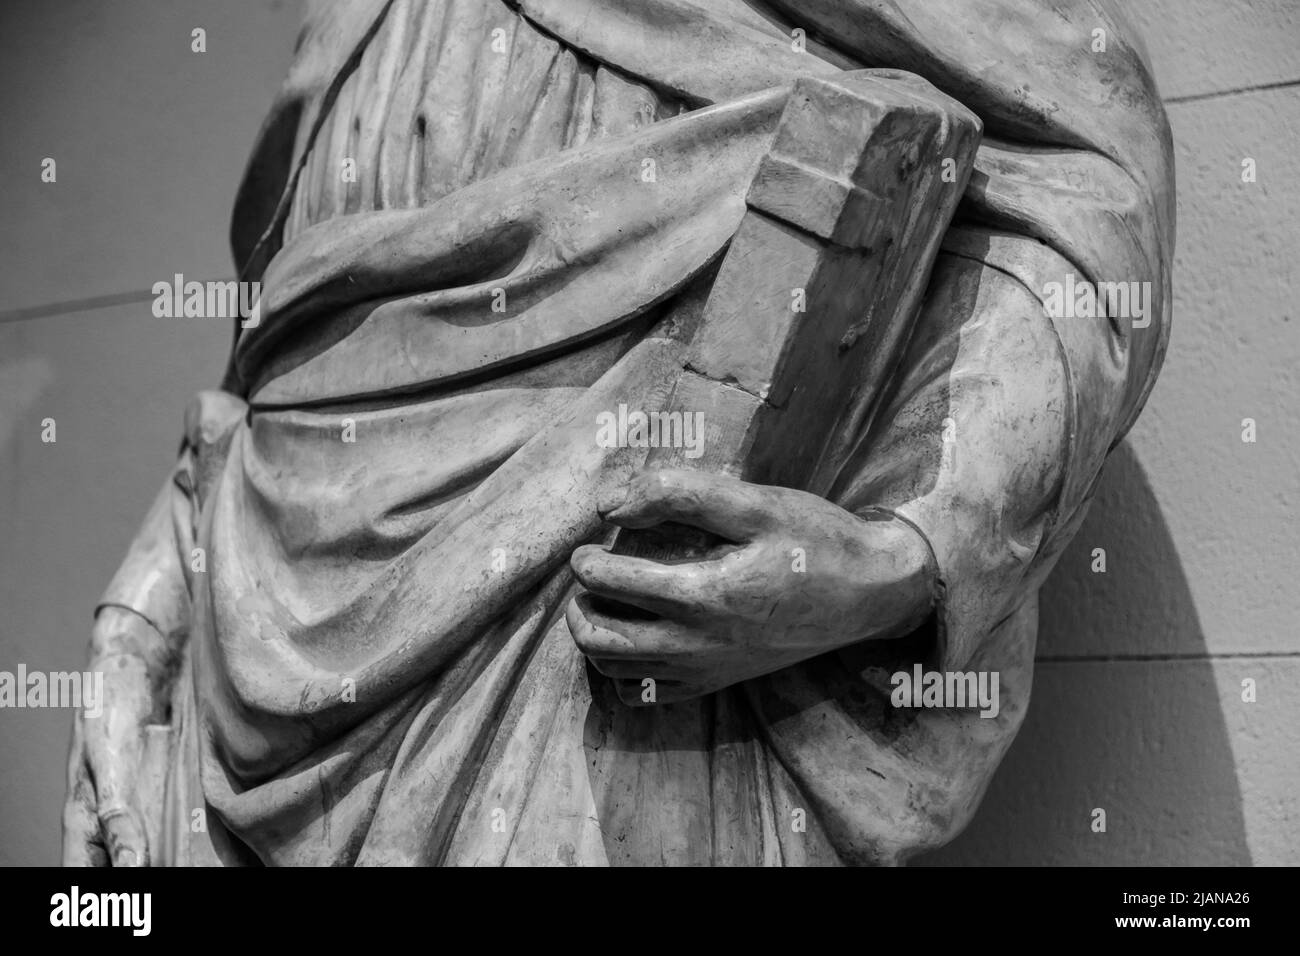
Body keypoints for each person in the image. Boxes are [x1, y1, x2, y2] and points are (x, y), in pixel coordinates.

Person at [64, 0, 1174, 866]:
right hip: (232, 709)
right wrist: (145, 611)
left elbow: (1093, 200)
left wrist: (903, 560)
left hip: (594, 672)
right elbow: (290, 354)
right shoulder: (357, 18)